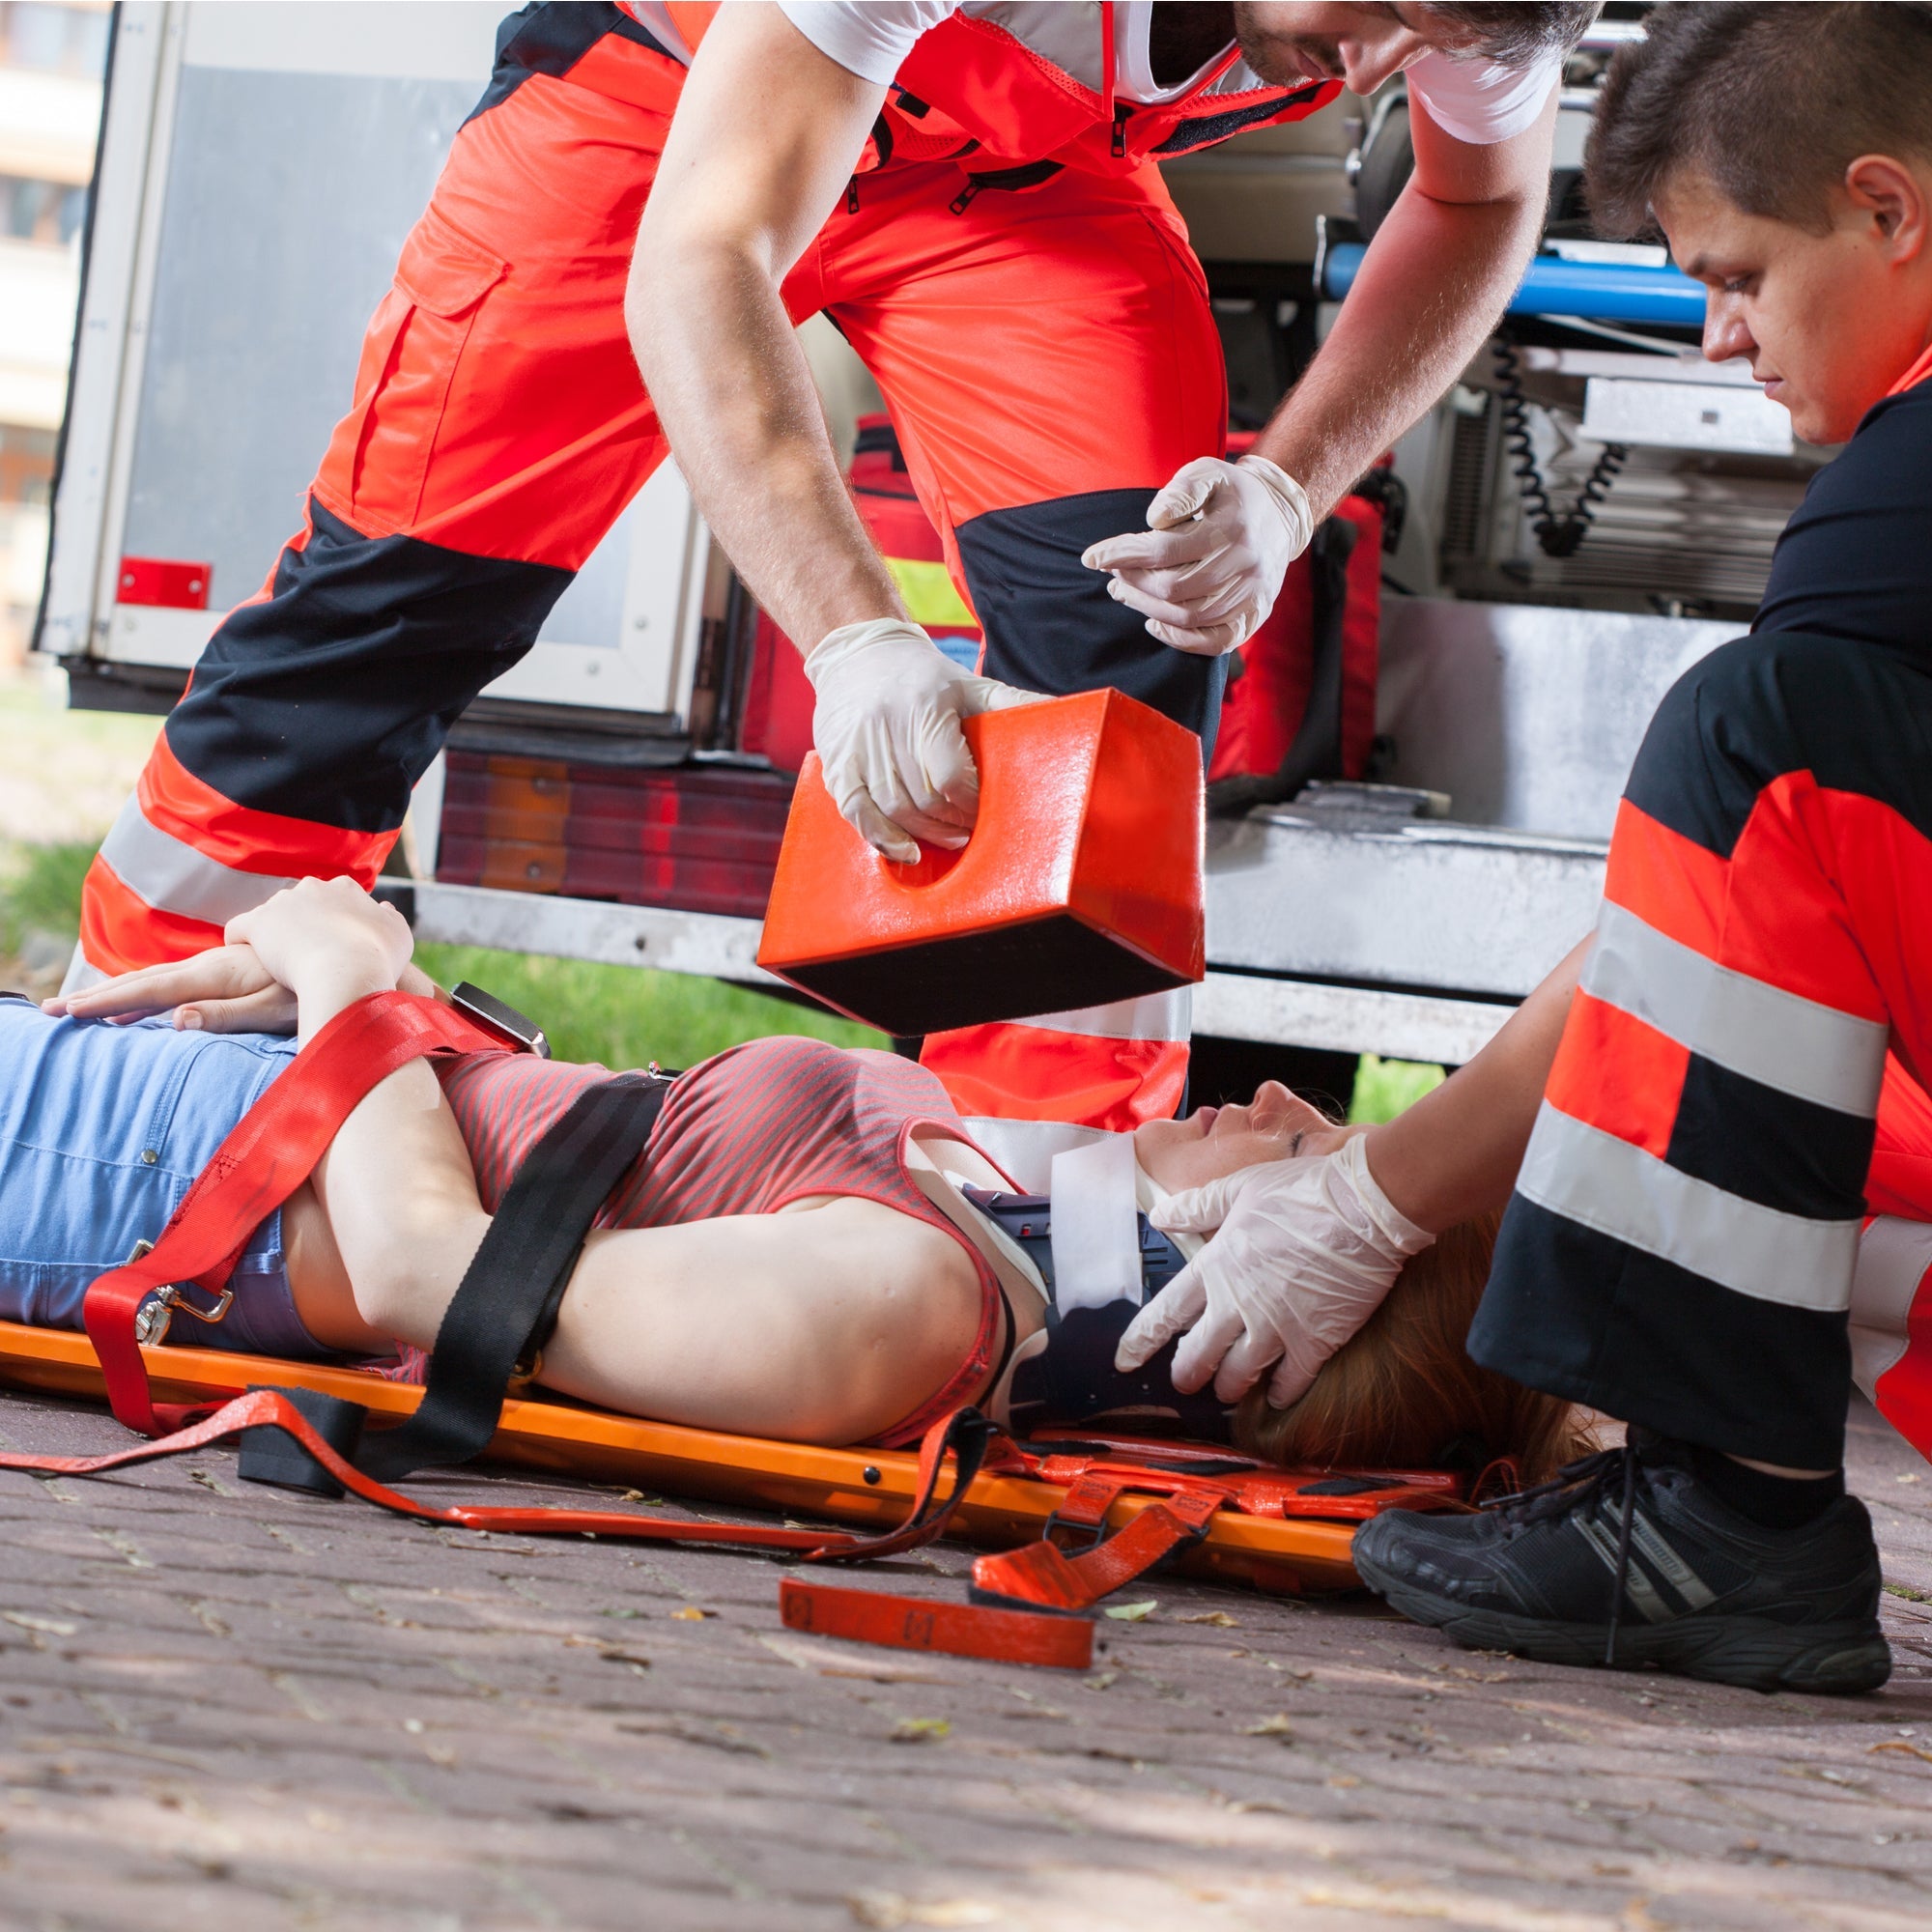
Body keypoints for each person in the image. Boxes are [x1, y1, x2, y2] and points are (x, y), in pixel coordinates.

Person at [75, 0, 1599, 1132]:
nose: (1384, 69)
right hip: (666, 109)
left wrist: (1284, 482)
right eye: (1384, 13)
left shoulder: (1480, 0)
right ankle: (144, 1084)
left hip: (1010, 185)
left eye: (1433, 38)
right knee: (396, 600)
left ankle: (1025, 1202)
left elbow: (1479, 198)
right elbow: (707, 250)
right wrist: (859, 642)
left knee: (1128, 644)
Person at [1137, 0, 1932, 1693]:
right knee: (1799, 1151)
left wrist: (1373, 1193)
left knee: (1755, 735)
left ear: (1889, 209)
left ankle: (1733, 1514)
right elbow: (1727, 976)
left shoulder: (1907, 493)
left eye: (1734, 278)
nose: (1715, 339)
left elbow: (1725, 903)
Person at [9, 878, 1577, 1479]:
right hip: (206, 1109)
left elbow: (434, 1278)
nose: (1290, 1096)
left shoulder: (897, 1309)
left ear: (1258, 1307)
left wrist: (359, 974)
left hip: (128, 1182)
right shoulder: (976, 1233)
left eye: (1321, 1151)